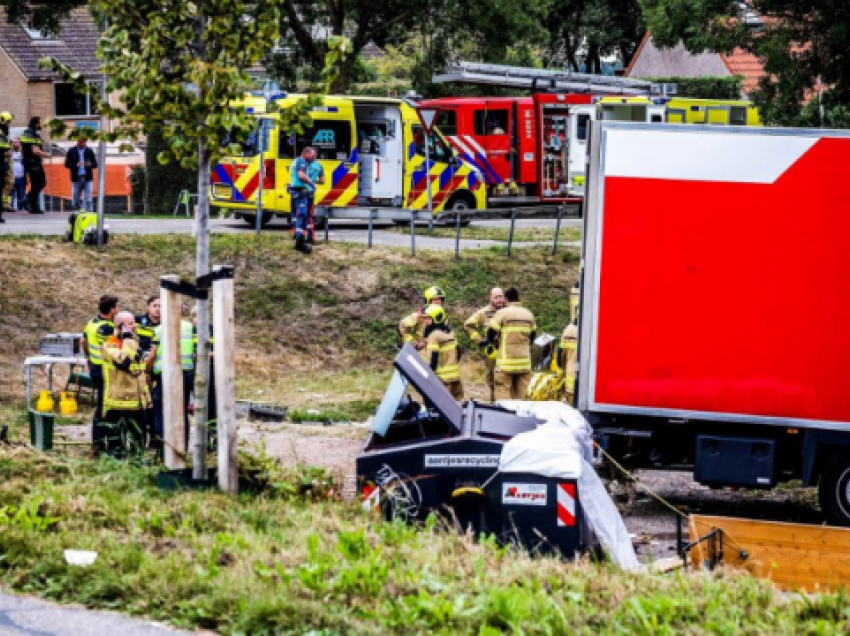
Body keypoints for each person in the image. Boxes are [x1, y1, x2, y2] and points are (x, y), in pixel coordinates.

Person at [97, 311, 150, 456]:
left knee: (139, 440)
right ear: (120, 326)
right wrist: (128, 339)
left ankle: (136, 464)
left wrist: (147, 397)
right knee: (116, 444)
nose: (135, 326)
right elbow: (124, 361)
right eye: (131, 324)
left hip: (137, 402)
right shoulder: (110, 345)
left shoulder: (133, 342)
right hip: (118, 403)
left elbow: (140, 373)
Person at [148, 305, 194, 453]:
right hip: (186, 373)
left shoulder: (159, 329)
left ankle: (163, 448)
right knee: (182, 411)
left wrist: (146, 371)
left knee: (161, 411)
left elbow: (153, 355)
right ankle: (183, 447)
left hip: (164, 375)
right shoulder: (190, 328)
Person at [487, 287, 537, 401]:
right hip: (524, 364)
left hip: (506, 363)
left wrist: (495, 343)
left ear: (506, 299)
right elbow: (532, 338)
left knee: (503, 393)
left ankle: (504, 417)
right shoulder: (529, 314)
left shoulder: (502, 313)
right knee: (522, 396)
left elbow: (490, 334)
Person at [82, 295, 118, 434]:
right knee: (104, 405)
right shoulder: (107, 327)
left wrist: (89, 357)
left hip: (94, 367)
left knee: (101, 403)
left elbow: (83, 342)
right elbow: (110, 349)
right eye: (116, 307)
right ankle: (100, 437)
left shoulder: (92, 322)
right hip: (105, 369)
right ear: (112, 309)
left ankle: (100, 437)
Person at [464, 287, 506, 403]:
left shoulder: (509, 312)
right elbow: (468, 325)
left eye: (501, 297)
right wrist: (481, 341)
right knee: (492, 379)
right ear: (490, 298)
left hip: (508, 352)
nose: (499, 300)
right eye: (496, 297)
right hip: (491, 352)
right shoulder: (483, 313)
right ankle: (494, 403)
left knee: (506, 381)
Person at [423, 304, 464, 401]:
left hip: (442, 380)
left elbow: (433, 358)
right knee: (458, 405)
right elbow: (458, 351)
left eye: (428, 318)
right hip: (455, 377)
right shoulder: (450, 332)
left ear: (436, 318)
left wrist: (430, 375)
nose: (426, 321)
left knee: (441, 407)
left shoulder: (434, 335)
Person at [289, 147, 323, 255]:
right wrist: (311, 183)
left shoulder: (296, 161)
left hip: (296, 190)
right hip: (300, 191)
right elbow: (301, 176)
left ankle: (298, 237)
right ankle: (300, 241)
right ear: (306, 153)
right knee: (303, 215)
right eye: (312, 156)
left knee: (298, 215)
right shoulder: (302, 161)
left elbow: (293, 176)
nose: (313, 158)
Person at [399, 286, 446, 350]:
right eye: (435, 299)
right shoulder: (420, 315)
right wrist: (414, 344)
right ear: (428, 301)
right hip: (420, 353)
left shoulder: (442, 316)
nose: (438, 302)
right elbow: (402, 326)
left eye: (440, 299)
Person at [20, 116, 49, 214]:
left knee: (34, 184)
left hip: (28, 162)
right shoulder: (34, 134)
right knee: (41, 183)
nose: (41, 125)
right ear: (36, 123)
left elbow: (23, 148)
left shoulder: (25, 133)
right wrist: (47, 155)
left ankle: (34, 207)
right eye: (40, 123)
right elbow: (35, 151)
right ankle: (26, 199)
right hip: (35, 162)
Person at [64, 137, 98, 211]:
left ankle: (88, 212)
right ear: (78, 141)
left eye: (84, 142)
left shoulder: (89, 151)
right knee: (75, 195)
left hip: (87, 177)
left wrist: (90, 164)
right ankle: (76, 210)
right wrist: (76, 164)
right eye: (81, 142)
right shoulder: (71, 151)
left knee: (88, 197)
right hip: (76, 177)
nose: (83, 144)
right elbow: (66, 164)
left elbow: (95, 164)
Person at [305, 148, 324, 243]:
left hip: (302, 191)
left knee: (299, 214)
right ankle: (310, 236)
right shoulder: (319, 166)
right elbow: (322, 181)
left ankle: (298, 235)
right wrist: (313, 181)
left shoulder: (302, 163)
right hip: (311, 192)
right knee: (310, 215)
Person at [0, 112, 12, 222]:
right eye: (8, 122)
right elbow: (5, 151)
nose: (9, 125)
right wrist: (6, 153)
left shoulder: (4, 135)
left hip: (3, 165)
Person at [11, 139, 26, 212]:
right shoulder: (10, 154)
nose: (15, 144)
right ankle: (10, 209)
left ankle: (21, 210)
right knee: (11, 196)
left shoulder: (23, 154)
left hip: (21, 178)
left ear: (20, 144)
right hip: (12, 178)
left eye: (16, 142)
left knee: (21, 196)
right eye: (13, 142)